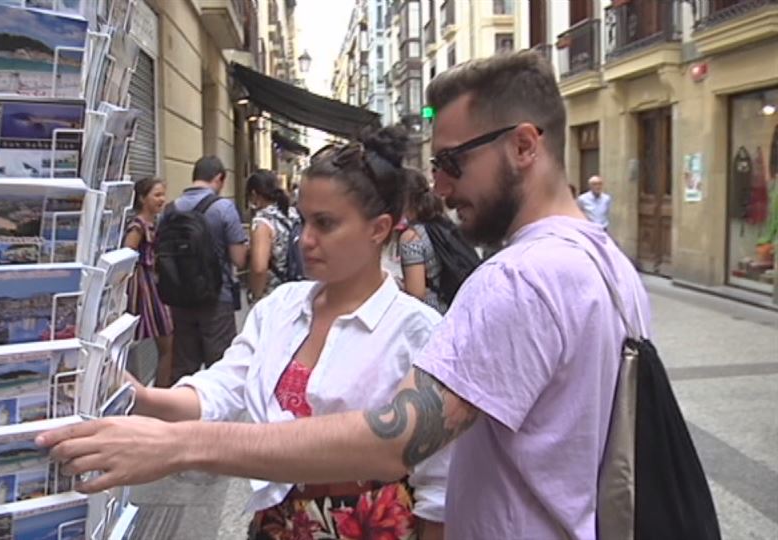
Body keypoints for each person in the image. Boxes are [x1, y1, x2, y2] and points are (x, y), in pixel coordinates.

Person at [39, 51, 651, 539]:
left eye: (453, 162)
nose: (437, 184)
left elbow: (397, 443)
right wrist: (148, 403)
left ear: (524, 146)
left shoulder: (520, 277)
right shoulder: (604, 261)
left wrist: (177, 446)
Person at [165, 156, 248, 384]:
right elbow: (239, 259)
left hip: (179, 299)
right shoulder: (223, 208)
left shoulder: (170, 208)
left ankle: (182, 416)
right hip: (216, 300)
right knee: (221, 370)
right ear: (219, 178)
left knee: (183, 368)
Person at [123, 177, 174, 387]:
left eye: (163, 194)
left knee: (167, 343)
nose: (162, 199)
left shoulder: (154, 223)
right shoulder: (138, 226)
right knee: (166, 342)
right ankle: (157, 393)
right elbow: (127, 254)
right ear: (143, 198)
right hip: (145, 289)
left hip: (153, 286)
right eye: (157, 195)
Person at [398, 168, 449, 313]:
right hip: (452, 304)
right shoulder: (442, 223)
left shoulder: (411, 237)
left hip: (432, 312)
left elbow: (416, 293)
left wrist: (397, 286)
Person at [245, 169, 300, 301]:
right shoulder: (292, 214)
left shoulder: (262, 222)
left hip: (274, 295)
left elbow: (259, 268)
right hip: (297, 289)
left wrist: (256, 296)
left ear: (254, 194)